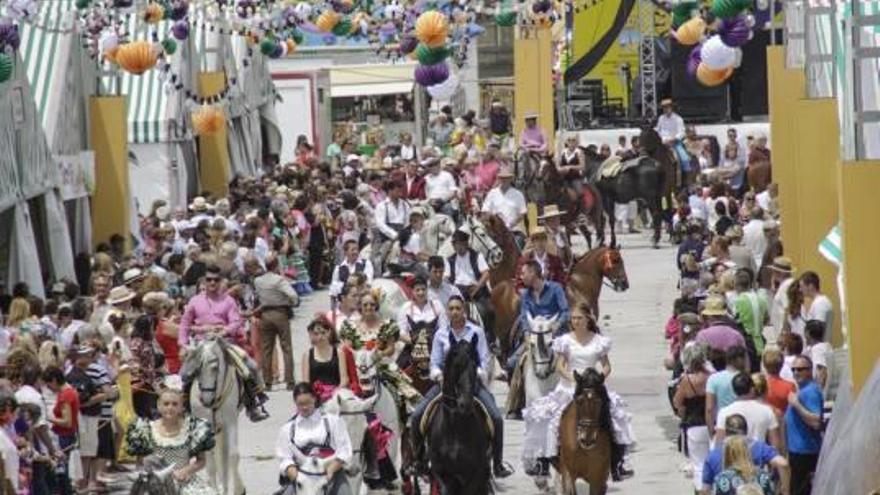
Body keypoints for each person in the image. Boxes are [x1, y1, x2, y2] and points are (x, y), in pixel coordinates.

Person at [521, 302, 634, 486]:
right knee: (549, 419)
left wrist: (599, 378)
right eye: (573, 318)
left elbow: (606, 366)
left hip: (593, 386)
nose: (575, 322)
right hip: (570, 386)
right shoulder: (565, 340)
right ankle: (543, 461)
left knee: (615, 418)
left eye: (579, 318)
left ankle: (618, 463)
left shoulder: (598, 340)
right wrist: (572, 378)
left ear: (587, 319)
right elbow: (559, 365)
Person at [407, 296, 514, 478]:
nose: (455, 312)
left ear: (463, 310)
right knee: (417, 415)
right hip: (446, 385)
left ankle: (497, 463)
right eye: (451, 308)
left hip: (471, 385)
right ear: (447, 312)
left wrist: (477, 375)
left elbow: (485, 359)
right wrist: (438, 375)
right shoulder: (440, 334)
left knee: (496, 417)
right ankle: (419, 460)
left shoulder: (476, 332)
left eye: (458, 308)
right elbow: (435, 362)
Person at [178, 266, 268, 422]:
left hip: (223, 342)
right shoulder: (194, 301)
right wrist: (183, 344)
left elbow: (236, 321)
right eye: (209, 279)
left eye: (216, 280)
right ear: (204, 282)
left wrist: (224, 331)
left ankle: (253, 404)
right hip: (201, 342)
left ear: (221, 282)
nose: (212, 282)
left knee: (249, 366)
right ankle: (184, 405)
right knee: (185, 372)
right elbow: (185, 324)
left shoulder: (228, 300)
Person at [505, 261, 571, 416]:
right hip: (534, 335)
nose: (521, 276)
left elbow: (565, 311)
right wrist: (527, 334)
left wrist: (556, 325)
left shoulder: (555, 289)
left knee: (572, 360)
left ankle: (572, 396)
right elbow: (524, 316)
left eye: (524, 273)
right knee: (512, 363)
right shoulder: (526, 295)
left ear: (534, 274)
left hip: (555, 335)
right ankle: (518, 401)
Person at [125, 385, 218, 495]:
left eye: (175, 404)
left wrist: (186, 471)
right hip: (154, 483)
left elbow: (201, 461)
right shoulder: (145, 429)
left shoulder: (192, 429)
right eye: (166, 404)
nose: (170, 407)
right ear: (158, 406)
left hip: (183, 481)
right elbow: (139, 464)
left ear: (181, 407)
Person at [275, 383, 354, 495]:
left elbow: (345, 450)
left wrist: (331, 470)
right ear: (295, 403)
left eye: (308, 403)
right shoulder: (287, 429)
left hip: (331, 473)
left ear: (315, 399)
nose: (304, 407)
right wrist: (296, 476)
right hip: (302, 475)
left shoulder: (333, 421)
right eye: (300, 404)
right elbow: (284, 458)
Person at [701, 415, 789, 495]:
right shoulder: (762, 475)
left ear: (726, 432)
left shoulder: (718, 471)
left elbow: (705, 490)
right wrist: (785, 490)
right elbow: (783, 463)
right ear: (746, 431)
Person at [253, 253, 299, 391]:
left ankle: (267, 381)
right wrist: (292, 303)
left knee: (266, 349)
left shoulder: (258, 281)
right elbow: (293, 295)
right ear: (276, 265)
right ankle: (290, 380)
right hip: (280, 313)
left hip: (265, 315)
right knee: (286, 347)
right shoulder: (279, 280)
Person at [673, 343, 712, 492]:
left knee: (698, 465)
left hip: (693, 425)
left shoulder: (687, 381)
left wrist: (682, 410)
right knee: (713, 462)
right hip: (711, 425)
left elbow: (677, 402)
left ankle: (701, 491)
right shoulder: (711, 377)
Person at [713, 373, 781, 452]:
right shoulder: (767, 411)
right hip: (760, 459)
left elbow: (719, 445)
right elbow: (775, 444)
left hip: (734, 460)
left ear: (734, 391)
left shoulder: (724, 412)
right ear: (752, 389)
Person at [785, 355, 823, 495]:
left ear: (809, 370)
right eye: (793, 369)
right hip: (798, 452)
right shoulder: (803, 390)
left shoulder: (810, 391)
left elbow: (815, 422)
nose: (796, 373)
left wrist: (796, 405)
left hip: (805, 453)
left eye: (800, 369)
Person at [302, 317, 351, 401]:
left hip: (336, 394)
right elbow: (306, 381)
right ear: (311, 335)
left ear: (329, 332)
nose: (320, 337)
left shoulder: (339, 353)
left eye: (323, 333)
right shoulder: (307, 355)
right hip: (315, 396)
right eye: (316, 334)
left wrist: (335, 393)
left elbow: (344, 379)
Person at [706, 346, 749, 439]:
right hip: (744, 424)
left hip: (722, 424)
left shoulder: (713, 379)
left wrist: (711, 432)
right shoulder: (745, 379)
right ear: (738, 359)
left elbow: (710, 408)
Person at [481, 167, 528, 247]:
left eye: (507, 178)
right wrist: (494, 219)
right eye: (502, 178)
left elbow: (522, 213)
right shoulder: (492, 193)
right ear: (499, 179)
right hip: (495, 231)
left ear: (511, 179)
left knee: (519, 245)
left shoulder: (518, 194)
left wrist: (511, 224)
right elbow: (485, 210)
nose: (504, 180)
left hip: (513, 229)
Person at [397, 276, 446, 347]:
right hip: (413, 348)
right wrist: (415, 342)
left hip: (434, 346)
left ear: (427, 289)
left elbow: (444, 328)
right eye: (417, 290)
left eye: (423, 289)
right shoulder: (405, 307)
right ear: (412, 291)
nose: (421, 293)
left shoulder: (437, 305)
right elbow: (401, 332)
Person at [787, 271, 833, 340]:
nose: (800, 290)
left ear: (811, 286)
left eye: (802, 286)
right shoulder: (819, 302)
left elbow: (818, 331)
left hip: (819, 348)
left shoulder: (820, 303)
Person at [762, 348, 796, 417]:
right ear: (782, 365)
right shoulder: (790, 386)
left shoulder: (760, 385)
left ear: (764, 366)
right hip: (783, 421)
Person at [803, 320, 831, 389]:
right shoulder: (827, 346)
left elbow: (821, 371)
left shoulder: (817, 350)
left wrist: (818, 392)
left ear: (807, 333)